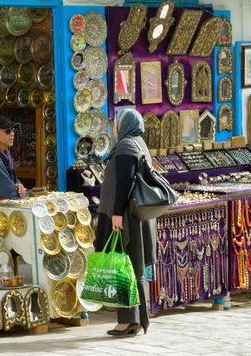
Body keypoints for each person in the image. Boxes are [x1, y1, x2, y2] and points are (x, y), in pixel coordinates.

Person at [94, 109, 157, 337]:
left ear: (123, 125)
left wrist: (117, 214)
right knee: (133, 267)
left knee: (122, 267)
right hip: (135, 217)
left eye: (115, 124)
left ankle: (128, 321)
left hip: (123, 218)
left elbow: (125, 182)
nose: (112, 129)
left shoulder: (125, 146)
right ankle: (139, 319)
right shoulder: (138, 143)